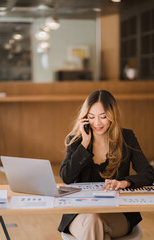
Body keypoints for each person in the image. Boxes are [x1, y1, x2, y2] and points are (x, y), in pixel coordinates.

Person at [58, 90, 154, 240]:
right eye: (91, 117)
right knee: (93, 222)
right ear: (84, 118)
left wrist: (125, 182)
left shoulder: (126, 138)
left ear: (112, 116)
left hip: (117, 213)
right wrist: (84, 143)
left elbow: (148, 174)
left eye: (103, 117)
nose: (97, 123)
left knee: (95, 226)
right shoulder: (76, 141)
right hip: (81, 213)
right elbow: (66, 177)